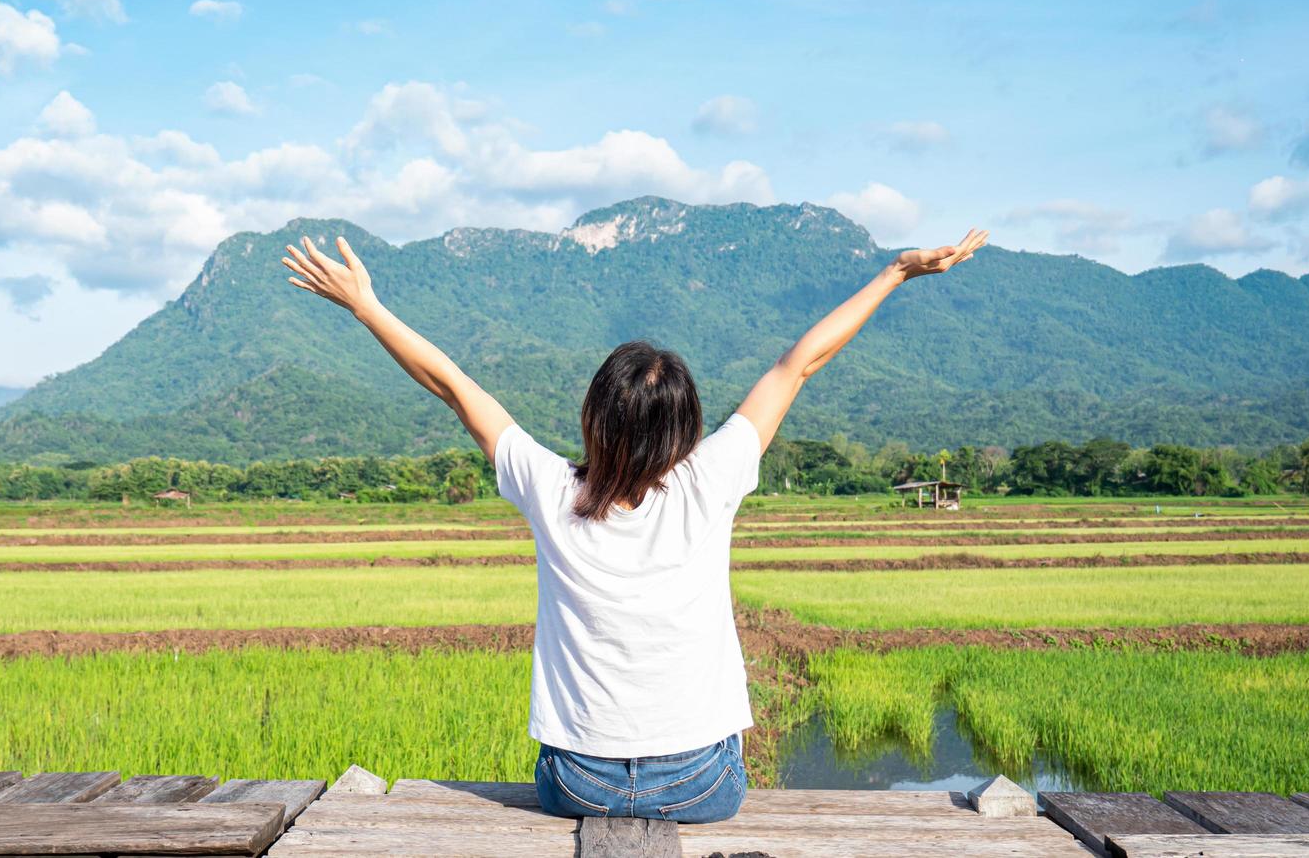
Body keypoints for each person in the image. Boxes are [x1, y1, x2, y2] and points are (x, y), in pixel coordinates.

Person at [281, 225, 989, 822]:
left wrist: (367, 307)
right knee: (721, 747)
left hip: (576, 785)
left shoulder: (548, 488)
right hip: (703, 786)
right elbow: (798, 366)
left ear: (594, 417)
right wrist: (897, 271)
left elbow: (452, 385)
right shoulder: (711, 481)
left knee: (571, 758)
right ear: (684, 431)